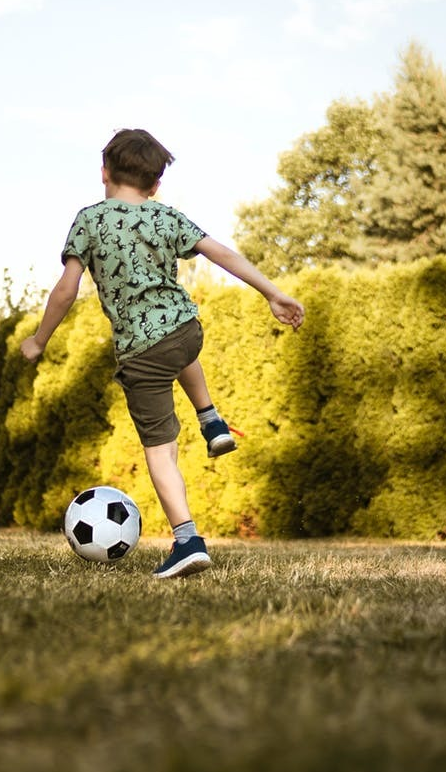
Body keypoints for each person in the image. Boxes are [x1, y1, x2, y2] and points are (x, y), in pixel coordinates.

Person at [20, 128, 305, 578]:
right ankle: (210, 418)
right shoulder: (166, 217)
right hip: (187, 331)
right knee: (177, 343)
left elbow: (65, 289)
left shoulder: (90, 220)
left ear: (103, 173)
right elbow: (223, 254)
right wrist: (273, 293)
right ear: (156, 185)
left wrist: (39, 340)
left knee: (160, 454)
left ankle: (187, 539)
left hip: (141, 355)